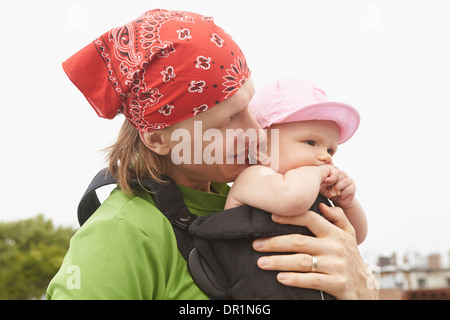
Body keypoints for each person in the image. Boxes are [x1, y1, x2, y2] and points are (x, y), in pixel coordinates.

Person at [46, 9, 377, 300]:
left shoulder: (238, 192)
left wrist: (361, 291)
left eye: (248, 106)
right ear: (159, 138)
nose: (256, 132)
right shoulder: (122, 234)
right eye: (227, 121)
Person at [225, 78, 368, 245]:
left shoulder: (312, 188)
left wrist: (346, 203)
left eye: (330, 150)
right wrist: (316, 173)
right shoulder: (253, 177)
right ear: (260, 148)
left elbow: (355, 237)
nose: (326, 157)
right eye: (310, 143)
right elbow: (292, 199)